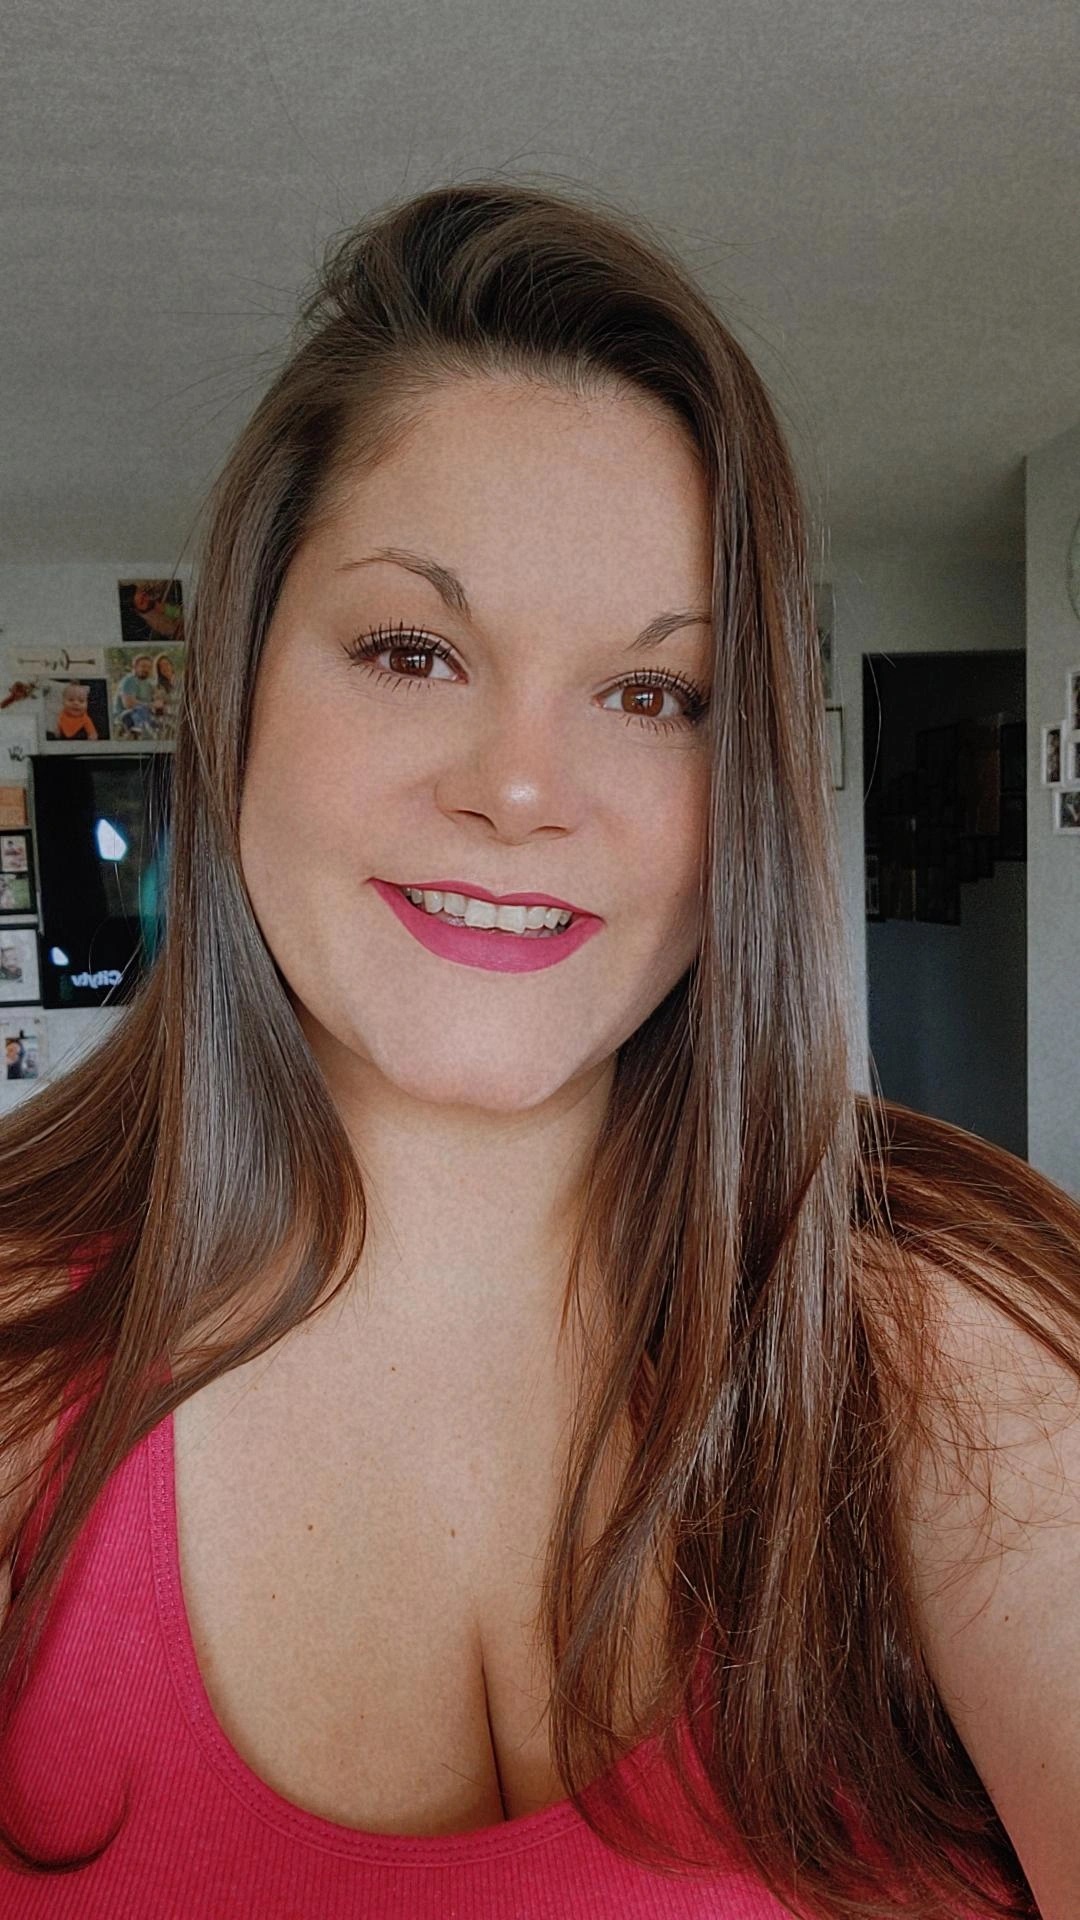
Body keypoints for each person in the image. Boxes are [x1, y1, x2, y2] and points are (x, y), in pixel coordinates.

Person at [0, 179, 1077, 1920]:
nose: (517, 786)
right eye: (413, 650)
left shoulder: (935, 1335)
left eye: (657, 694)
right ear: (240, 689)